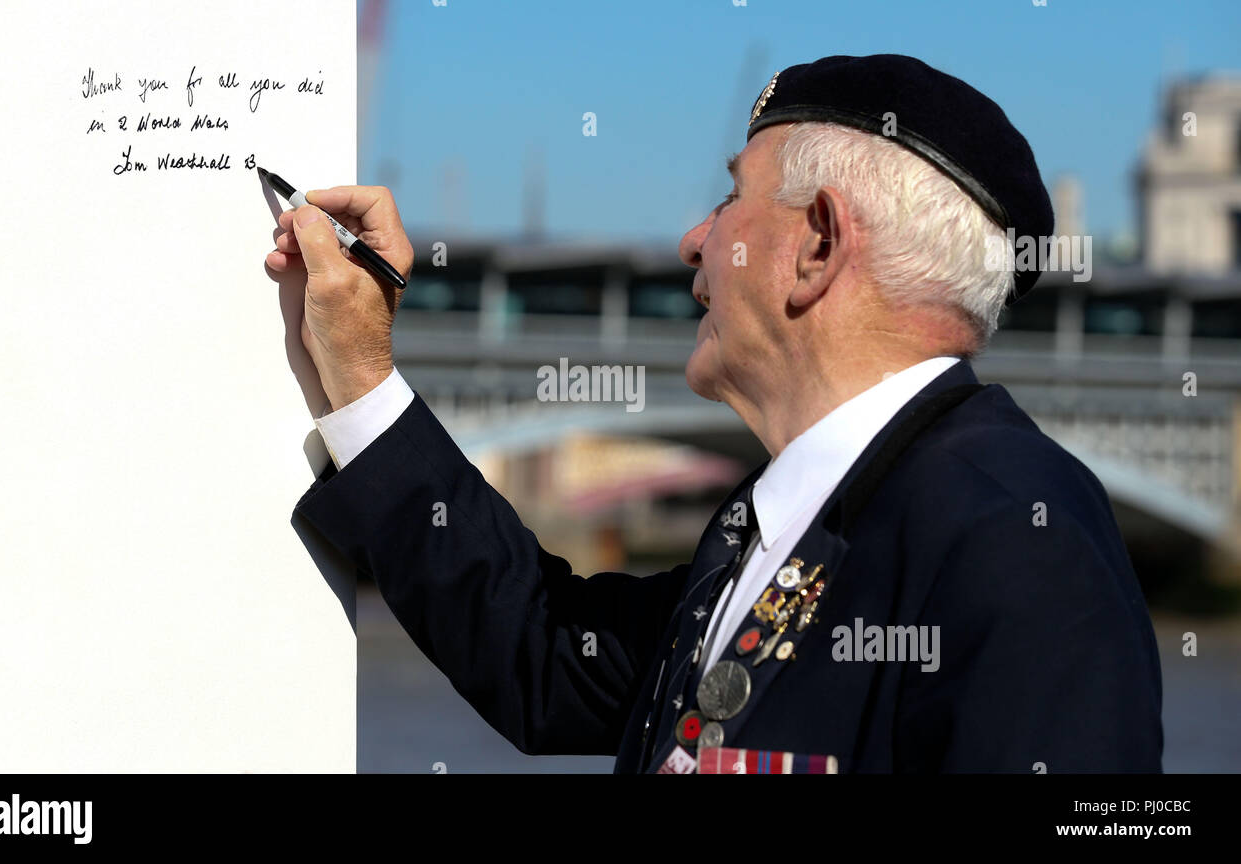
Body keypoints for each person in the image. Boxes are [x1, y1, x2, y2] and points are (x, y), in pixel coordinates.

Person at [267, 54, 1163, 773]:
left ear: (817, 243)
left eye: (732, 196)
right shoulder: (777, 524)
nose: (694, 237)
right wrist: (362, 374)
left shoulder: (1016, 536)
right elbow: (541, 654)